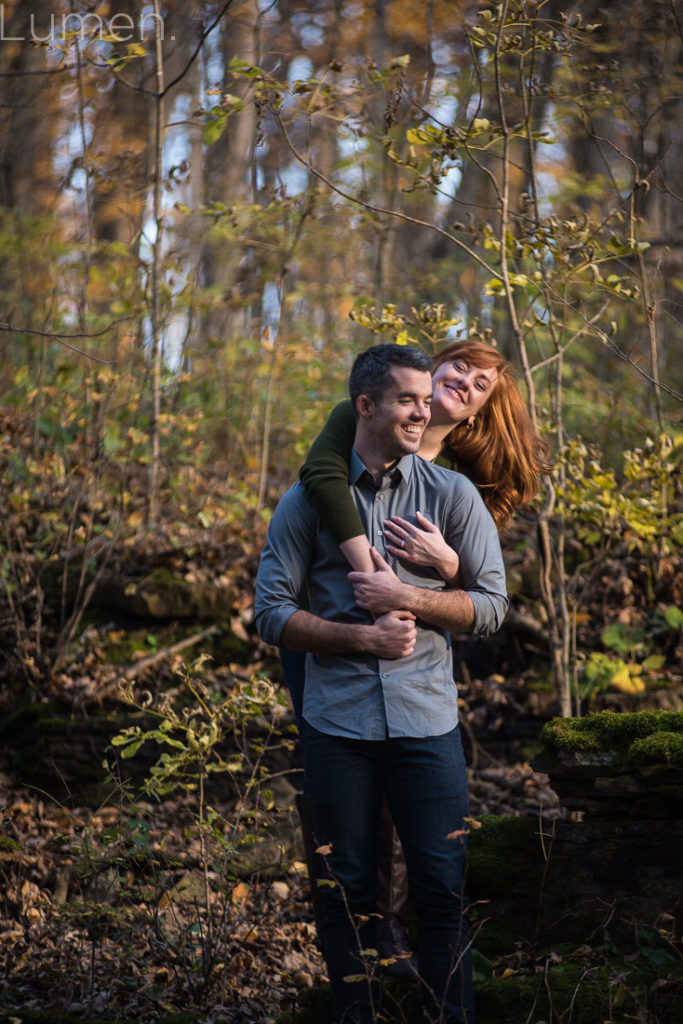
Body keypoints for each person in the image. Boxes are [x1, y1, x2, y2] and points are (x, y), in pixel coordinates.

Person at [255, 343, 508, 1024]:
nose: (424, 409)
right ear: (363, 406)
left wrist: (416, 595)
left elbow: (491, 607)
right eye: (408, 399)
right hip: (337, 724)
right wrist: (360, 637)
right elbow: (268, 613)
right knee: (345, 892)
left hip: (427, 724)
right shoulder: (308, 498)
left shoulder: (452, 493)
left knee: (439, 887)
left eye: (429, 399)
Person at [285, 338, 551, 968]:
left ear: (478, 415)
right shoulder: (364, 415)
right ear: (431, 371)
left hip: (415, 662)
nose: (465, 380)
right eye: (459, 364)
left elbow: (478, 596)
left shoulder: (456, 485)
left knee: (414, 802)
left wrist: (449, 565)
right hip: (330, 645)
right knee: (346, 805)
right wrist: (366, 569)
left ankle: (401, 931)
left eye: (481, 383)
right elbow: (320, 474)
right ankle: (367, 939)